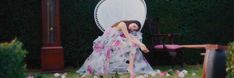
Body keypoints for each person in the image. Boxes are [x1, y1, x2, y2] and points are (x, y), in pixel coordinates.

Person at [77, 20, 154, 78]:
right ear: (131, 22)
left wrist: (142, 45)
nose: (132, 28)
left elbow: (132, 37)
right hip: (107, 42)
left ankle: (130, 68)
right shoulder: (122, 24)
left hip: (113, 42)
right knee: (99, 58)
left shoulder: (126, 30)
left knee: (133, 46)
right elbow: (128, 37)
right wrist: (140, 45)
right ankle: (90, 72)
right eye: (133, 26)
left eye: (135, 29)